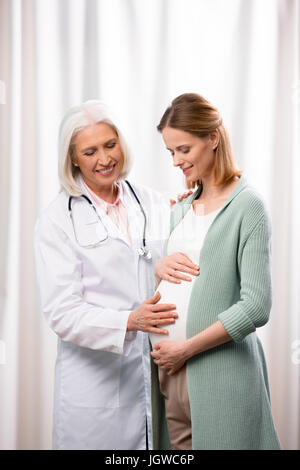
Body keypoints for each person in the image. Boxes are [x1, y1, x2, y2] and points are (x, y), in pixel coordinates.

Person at [34, 100, 193, 450]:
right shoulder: (57, 220)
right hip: (93, 386)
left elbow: (175, 258)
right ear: (72, 158)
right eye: (89, 151)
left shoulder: (151, 202)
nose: (104, 159)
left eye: (110, 145)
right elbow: (61, 312)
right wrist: (128, 321)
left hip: (151, 374)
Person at [149, 93, 282, 450]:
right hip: (171, 377)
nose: (176, 161)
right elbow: (154, 272)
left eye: (184, 149)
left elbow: (256, 306)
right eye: (170, 152)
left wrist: (187, 349)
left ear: (212, 138)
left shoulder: (248, 207)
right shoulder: (180, 210)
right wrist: (158, 266)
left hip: (221, 377)